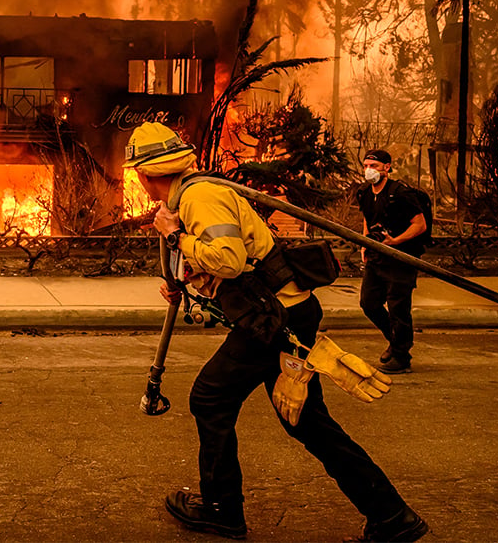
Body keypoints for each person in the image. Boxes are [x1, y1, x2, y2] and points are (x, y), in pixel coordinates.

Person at [124, 122, 427, 542]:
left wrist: (174, 236)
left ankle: (221, 508)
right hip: (283, 314)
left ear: (145, 173)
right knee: (306, 422)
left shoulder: (199, 197)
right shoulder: (196, 194)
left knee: (210, 397)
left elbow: (227, 260)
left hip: (274, 321)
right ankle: (392, 516)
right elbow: (234, 263)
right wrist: (191, 278)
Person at [355, 150, 427, 374]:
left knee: (398, 308)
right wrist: (364, 243)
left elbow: (419, 225)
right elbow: (368, 219)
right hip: (376, 257)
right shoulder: (365, 192)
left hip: (401, 258)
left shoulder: (401, 193)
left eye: (374, 166)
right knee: (369, 303)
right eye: (366, 165)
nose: (369, 170)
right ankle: (397, 343)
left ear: (387, 167)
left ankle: (401, 357)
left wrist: (395, 241)